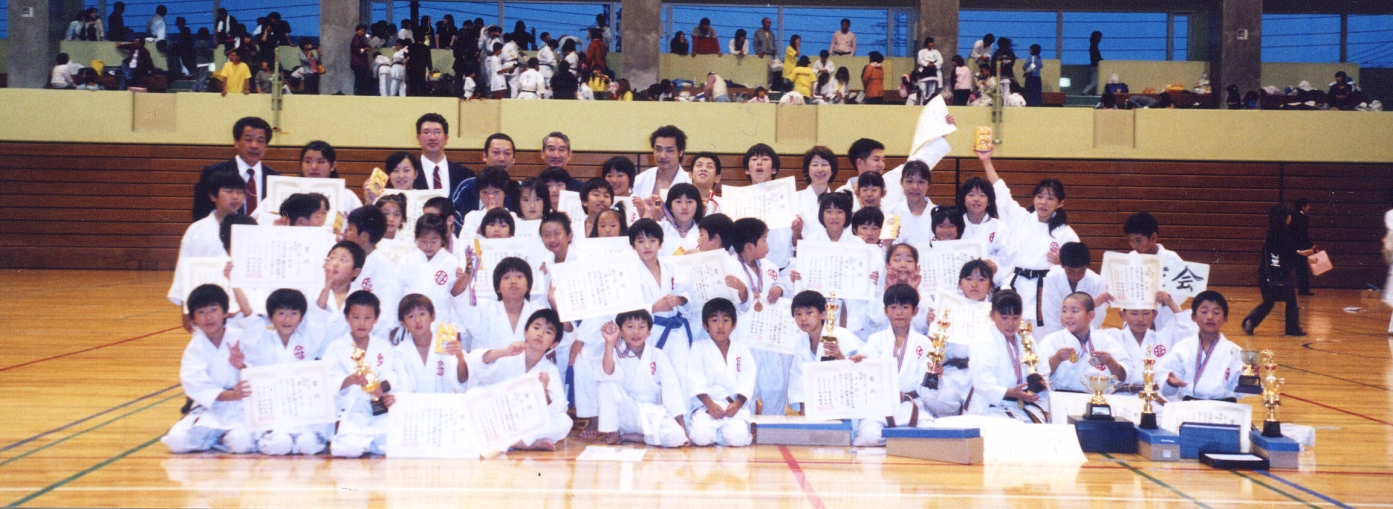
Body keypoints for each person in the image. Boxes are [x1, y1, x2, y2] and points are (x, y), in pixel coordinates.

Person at [977, 147, 1079, 328]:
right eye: (1039, 197)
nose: (1043, 202)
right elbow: (1001, 192)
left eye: (1050, 198)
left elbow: (1077, 264)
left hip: (1045, 291)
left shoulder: (1065, 233)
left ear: (1060, 203)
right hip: (1017, 286)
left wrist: (1062, 263)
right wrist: (986, 162)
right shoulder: (1021, 218)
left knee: (1043, 336)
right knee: (1011, 331)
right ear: (1034, 199)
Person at [161, 285, 258, 454]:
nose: (208, 317)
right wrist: (230, 394)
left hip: (241, 408)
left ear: (225, 312)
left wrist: (242, 367)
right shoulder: (195, 348)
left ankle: (217, 438)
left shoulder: (241, 337)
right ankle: (217, 437)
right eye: (201, 312)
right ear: (193, 319)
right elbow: (196, 386)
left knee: (241, 443)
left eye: (214, 310)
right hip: (210, 409)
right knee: (177, 441)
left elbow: (260, 371)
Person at [469, 309, 572, 451]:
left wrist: (544, 392)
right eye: (536, 328)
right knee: (472, 395)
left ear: (553, 345)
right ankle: (523, 443)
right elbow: (476, 364)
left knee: (564, 422)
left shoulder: (550, 370)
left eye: (548, 332)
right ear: (525, 332)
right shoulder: (510, 354)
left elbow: (558, 408)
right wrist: (504, 352)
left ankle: (511, 441)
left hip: (525, 422)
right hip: (500, 417)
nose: (540, 334)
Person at [595, 311, 691, 447]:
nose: (636, 332)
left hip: (651, 412)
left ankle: (636, 437)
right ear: (620, 331)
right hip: (624, 413)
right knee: (605, 383)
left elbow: (672, 390)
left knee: (677, 437)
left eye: (641, 327)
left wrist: (683, 429)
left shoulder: (658, 355)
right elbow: (607, 373)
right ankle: (613, 432)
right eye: (630, 327)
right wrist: (609, 343)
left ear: (649, 331)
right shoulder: (615, 352)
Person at [168, 170, 245, 328]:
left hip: (240, 305)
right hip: (208, 307)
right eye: (229, 191)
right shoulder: (196, 230)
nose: (235, 197)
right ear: (213, 196)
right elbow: (185, 271)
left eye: (240, 192)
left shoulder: (249, 226)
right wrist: (186, 310)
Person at [324, 291, 397, 457]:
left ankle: (366, 443)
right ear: (347, 318)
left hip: (377, 408)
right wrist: (349, 380)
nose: (361, 323)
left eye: (367, 318)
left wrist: (382, 386)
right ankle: (359, 442)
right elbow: (329, 378)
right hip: (351, 409)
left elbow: (391, 374)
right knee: (349, 449)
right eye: (356, 317)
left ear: (376, 319)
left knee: (391, 444)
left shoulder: (383, 346)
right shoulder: (336, 347)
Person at [968, 289, 1049, 422]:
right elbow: (982, 384)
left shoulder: (1027, 338)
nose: (1011, 324)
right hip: (994, 405)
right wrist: (1012, 393)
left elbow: (1043, 368)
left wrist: (1038, 383)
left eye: (1016, 318)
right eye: (1004, 318)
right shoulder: (983, 341)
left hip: (1027, 404)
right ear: (992, 315)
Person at [686, 298, 755, 447]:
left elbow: (747, 380)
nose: (720, 326)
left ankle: (722, 434)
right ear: (705, 325)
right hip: (707, 405)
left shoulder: (741, 350)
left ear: (734, 324)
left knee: (737, 438)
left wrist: (737, 404)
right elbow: (695, 379)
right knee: (700, 437)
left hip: (733, 406)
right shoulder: (698, 348)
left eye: (725, 320)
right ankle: (716, 434)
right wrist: (710, 405)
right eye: (715, 320)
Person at [787, 290, 866, 413]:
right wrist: (804, 411)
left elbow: (861, 372)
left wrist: (840, 357)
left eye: (809, 313)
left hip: (846, 404)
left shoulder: (842, 335)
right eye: (798, 314)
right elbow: (797, 382)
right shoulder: (801, 344)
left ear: (822, 314)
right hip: (817, 407)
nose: (803, 318)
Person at [1158, 291, 1244, 401]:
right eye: (1204, 312)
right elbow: (1167, 391)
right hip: (1190, 409)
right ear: (1193, 317)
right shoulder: (1181, 349)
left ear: (1225, 319)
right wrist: (1170, 383)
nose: (1210, 317)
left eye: (1216, 313)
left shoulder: (1235, 352)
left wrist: (1251, 380)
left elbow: (1242, 392)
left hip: (1224, 409)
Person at [1039, 293, 1131, 393]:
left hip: (1099, 397)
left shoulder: (1105, 341)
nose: (1068, 316)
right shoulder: (1052, 340)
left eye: (1075, 311)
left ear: (1090, 315)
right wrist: (1057, 358)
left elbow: (1123, 375)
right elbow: (1039, 373)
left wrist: (1110, 362)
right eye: (1064, 311)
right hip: (1063, 397)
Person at [192, 117, 277, 221]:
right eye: (248, 140)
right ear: (236, 142)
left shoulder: (274, 178)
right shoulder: (214, 173)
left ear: (266, 146)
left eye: (260, 141)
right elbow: (201, 214)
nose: (254, 145)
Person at [1241, 204, 1308, 336]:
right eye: (1288, 215)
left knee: (1269, 302)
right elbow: (1287, 255)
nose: (1290, 217)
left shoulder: (1272, 233)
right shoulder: (1283, 233)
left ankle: (1250, 321)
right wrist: (1302, 256)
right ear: (1283, 217)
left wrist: (1300, 253)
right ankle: (1292, 329)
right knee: (1291, 301)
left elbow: (1280, 253)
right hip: (1277, 276)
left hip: (1266, 275)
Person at [342, 206, 402, 339]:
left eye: (351, 229)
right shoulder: (354, 261)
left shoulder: (383, 265)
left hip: (373, 340)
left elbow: (386, 313)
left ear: (363, 236)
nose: (346, 233)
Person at [1039, 242, 1108, 336]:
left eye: (1081, 271)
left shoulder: (1096, 282)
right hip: (1058, 333)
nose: (1076, 276)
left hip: (1088, 335)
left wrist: (1084, 337)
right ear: (1062, 266)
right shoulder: (1052, 278)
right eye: (1071, 271)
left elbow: (1097, 317)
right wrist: (1058, 339)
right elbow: (1050, 314)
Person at [412, 113, 475, 202]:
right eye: (427, 132)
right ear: (418, 138)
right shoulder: (408, 173)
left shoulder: (465, 175)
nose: (432, 137)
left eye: (437, 132)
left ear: (446, 138)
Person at [633, 126, 691, 202]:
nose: (662, 156)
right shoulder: (640, 180)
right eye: (658, 149)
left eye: (669, 150)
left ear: (680, 152)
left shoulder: (690, 181)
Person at [1290, 198, 1315, 295]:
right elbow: (1302, 235)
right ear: (1303, 207)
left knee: (1301, 269)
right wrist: (1309, 245)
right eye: (1308, 205)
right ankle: (1303, 290)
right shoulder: (1303, 218)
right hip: (1300, 247)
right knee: (1302, 269)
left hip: (1296, 246)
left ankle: (1303, 290)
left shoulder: (1294, 216)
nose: (1309, 207)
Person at [1082, 31, 1103, 95]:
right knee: (1094, 81)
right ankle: (1084, 91)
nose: (1100, 39)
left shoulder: (1093, 46)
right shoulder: (1094, 47)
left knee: (1094, 81)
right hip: (1094, 66)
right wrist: (1098, 64)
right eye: (1099, 37)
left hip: (1094, 65)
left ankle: (1085, 91)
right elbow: (1095, 58)